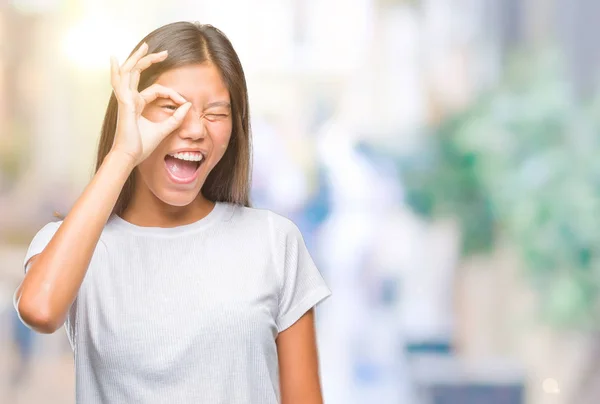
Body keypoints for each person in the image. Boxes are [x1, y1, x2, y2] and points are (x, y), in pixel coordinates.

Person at [13, 21, 331, 404]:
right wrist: (123, 154)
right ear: (131, 115)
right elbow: (40, 309)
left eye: (216, 113)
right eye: (170, 108)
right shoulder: (72, 245)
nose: (195, 129)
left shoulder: (274, 241)